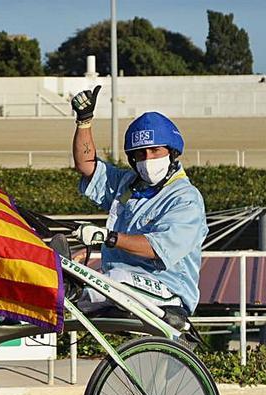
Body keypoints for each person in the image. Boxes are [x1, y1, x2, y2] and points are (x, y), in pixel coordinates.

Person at [58, 85, 208, 327]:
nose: (148, 159)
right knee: (82, 288)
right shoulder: (128, 183)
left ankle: (71, 289)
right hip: (120, 288)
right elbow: (87, 167)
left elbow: (156, 249)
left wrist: (107, 237)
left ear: (171, 153)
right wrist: (84, 121)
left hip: (167, 294)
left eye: (155, 150)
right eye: (140, 154)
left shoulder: (186, 199)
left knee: (111, 280)